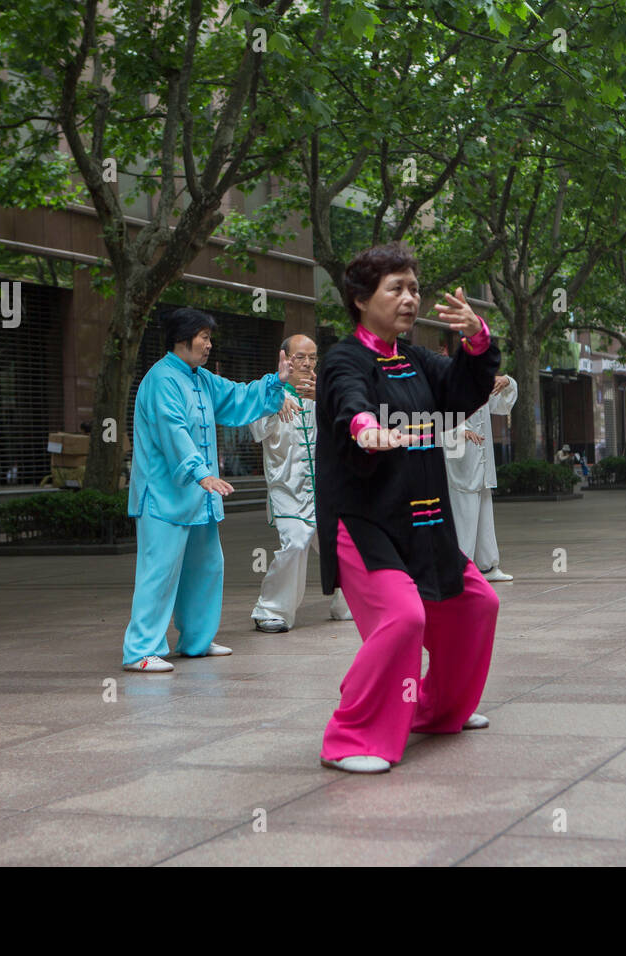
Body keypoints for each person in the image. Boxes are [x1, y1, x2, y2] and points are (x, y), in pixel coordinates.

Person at [314, 242, 500, 774]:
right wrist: (364, 427)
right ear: (359, 299)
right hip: (367, 522)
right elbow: (346, 399)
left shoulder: (415, 359)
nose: (409, 298)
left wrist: (475, 339)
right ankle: (350, 736)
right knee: (403, 618)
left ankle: (437, 710)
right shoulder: (344, 358)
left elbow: (463, 393)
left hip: (425, 518)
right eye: (396, 288)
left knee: (476, 605)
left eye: (414, 288)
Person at [122, 308, 298, 672]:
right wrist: (199, 472)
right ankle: (140, 651)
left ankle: (196, 641)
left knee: (206, 567)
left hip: (200, 495)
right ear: (182, 338)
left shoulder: (201, 378)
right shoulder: (161, 379)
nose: (208, 344)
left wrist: (274, 384)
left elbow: (236, 398)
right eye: (203, 336)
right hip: (164, 496)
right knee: (160, 571)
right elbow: (173, 430)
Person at [249, 334, 351, 633]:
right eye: (300, 357)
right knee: (295, 542)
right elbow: (257, 431)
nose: (307, 363)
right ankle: (271, 609)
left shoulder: (325, 392)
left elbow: (347, 430)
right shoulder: (267, 390)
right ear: (284, 358)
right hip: (287, 489)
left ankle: (350, 604)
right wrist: (274, 398)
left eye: (312, 357)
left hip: (325, 488)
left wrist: (328, 401)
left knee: (346, 544)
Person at [445, 372, 519, 582]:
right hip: (461, 457)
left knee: (484, 513)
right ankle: (462, 569)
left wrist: (508, 382)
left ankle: (487, 566)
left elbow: (502, 406)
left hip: (481, 457)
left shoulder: (481, 382)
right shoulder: (448, 382)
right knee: (464, 514)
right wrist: (461, 430)